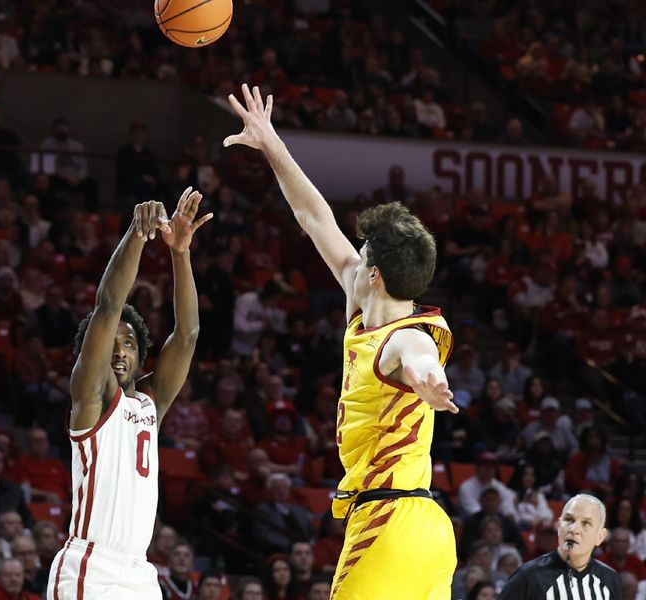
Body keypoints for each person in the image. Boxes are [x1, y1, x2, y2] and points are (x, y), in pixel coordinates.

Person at [225, 84, 458, 598]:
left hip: (386, 522)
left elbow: (417, 358)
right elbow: (314, 218)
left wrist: (430, 381)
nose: (353, 254)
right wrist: (269, 143)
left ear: (374, 274)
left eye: (362, 251)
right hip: (431, 530)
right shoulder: (370, 305)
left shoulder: (405, 338)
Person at [47, 188, 211, 599]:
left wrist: (180, 252)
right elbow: (109, 304)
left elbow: (187, 334)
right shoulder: (91, 398)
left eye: (130, 343)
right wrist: (137, 235)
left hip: (139, 573)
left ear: (141, 355)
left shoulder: (150, 404)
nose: (120, 350)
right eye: (112, 343)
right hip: (92, 565)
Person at [500, 494, 623, 599]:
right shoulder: (528, 577)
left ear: (600, 536)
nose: (574, 529)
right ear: (559, 526)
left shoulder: (611, 580)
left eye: (586, 523)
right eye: (569, 520)